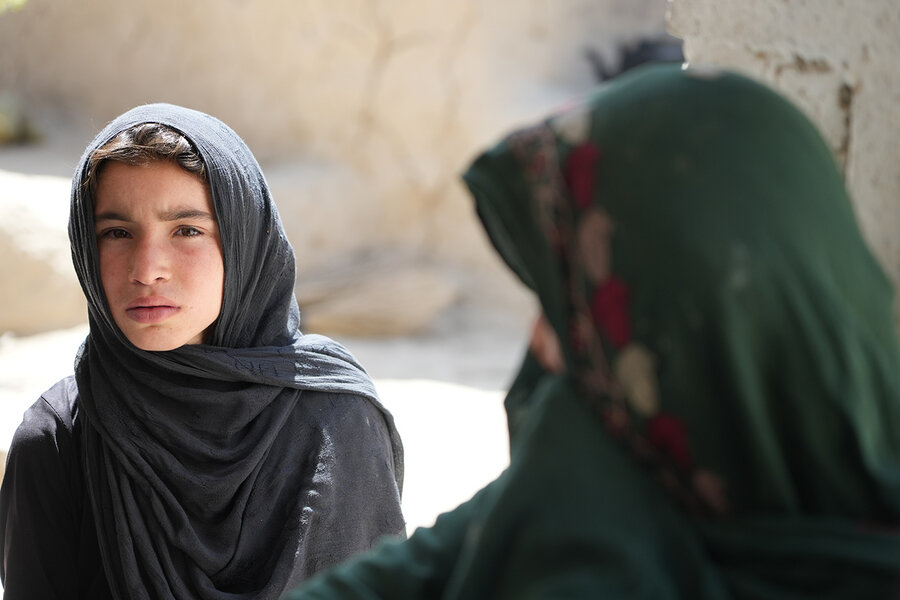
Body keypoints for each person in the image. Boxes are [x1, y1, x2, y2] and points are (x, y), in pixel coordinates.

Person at [284, 63, 900, 599]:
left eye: (575, 307)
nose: (543, 343)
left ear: (687, 320)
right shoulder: (589, 466)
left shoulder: (590, 506)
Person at [0, 104, 405, 599]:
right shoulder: (60, 438)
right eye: (117, 233)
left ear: (243, 241)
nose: (147, 269)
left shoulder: (338, 421)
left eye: (187, 230)